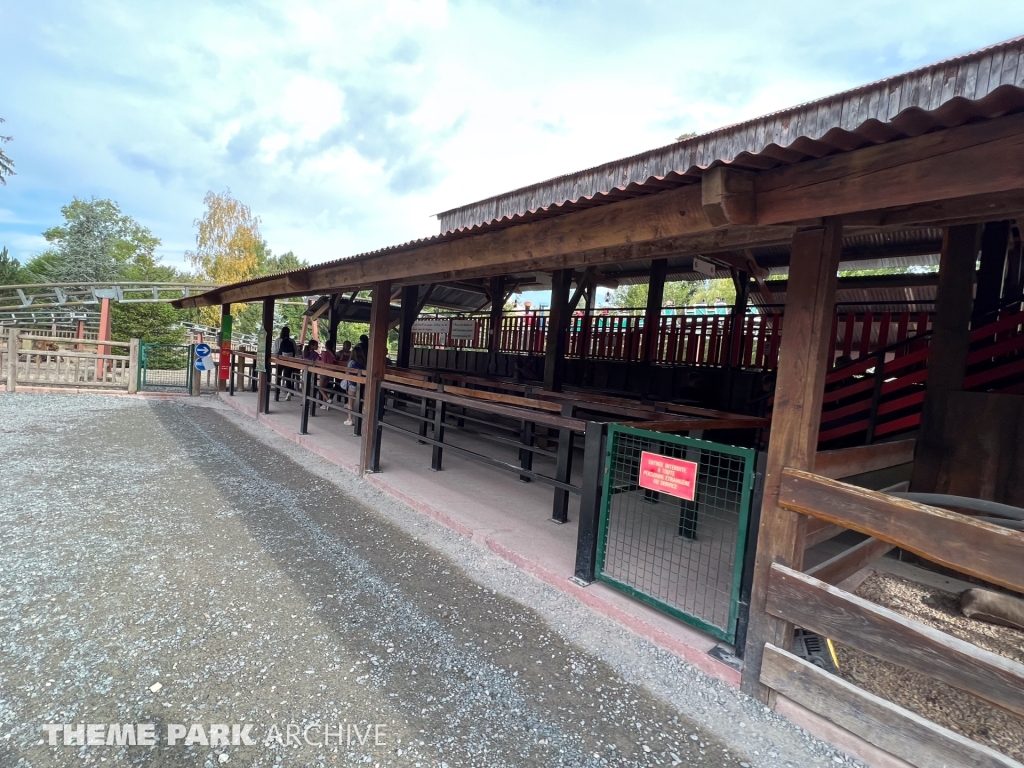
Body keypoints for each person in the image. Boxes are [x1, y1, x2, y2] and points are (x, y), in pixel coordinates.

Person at [343, 345, 366, 427]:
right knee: (362, 402)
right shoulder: (363, 362)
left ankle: (350, 419)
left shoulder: (351, 362)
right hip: (362, 383)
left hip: (352, 383)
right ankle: (363, 419)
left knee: (351, 402)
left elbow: (348, 372)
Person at [274, 327, 298, 400]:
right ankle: (289, 393)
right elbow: (296, 352)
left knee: (278, 377)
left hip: (280, 361)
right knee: (288, 377)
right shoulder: (292, 341)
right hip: (289, 362)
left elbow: (275, 351)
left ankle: (277, 394)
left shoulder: (278, 341)